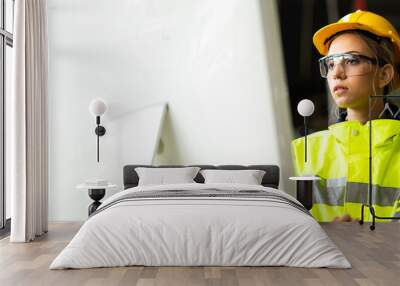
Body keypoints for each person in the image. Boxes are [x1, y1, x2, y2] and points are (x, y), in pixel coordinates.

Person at [292, 10, 400, 222]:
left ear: (384, 74)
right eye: (331, 63)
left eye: (351, 60)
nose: (337, 73)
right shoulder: (301, 151)